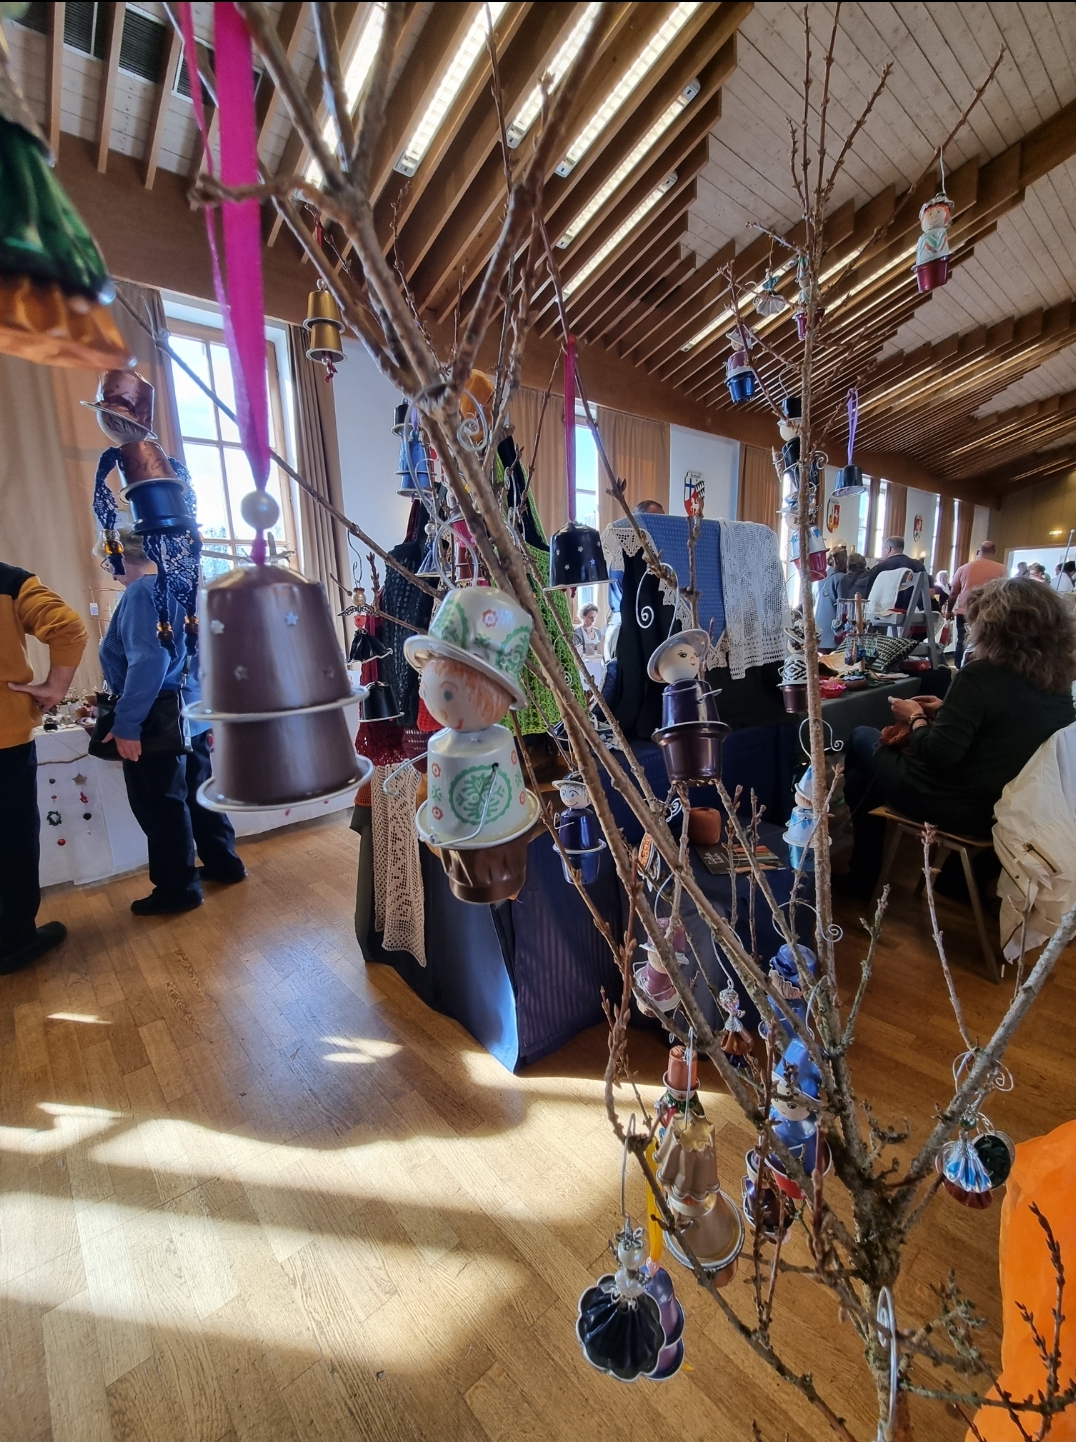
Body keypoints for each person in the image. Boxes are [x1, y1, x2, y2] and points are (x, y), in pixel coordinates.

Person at [842, 578, 1076, 894]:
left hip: (953, 802)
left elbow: (938, 754)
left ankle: (863, 873)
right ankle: (948, 879)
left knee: (861, 737)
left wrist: (914, 716)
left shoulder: (981, 675)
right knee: (862, 774)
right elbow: (1006, 729)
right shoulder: (1057, 681)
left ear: (994, 628)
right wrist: (948, 710)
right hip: (1006, 807)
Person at [100, 530, 244, 916]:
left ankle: (178, 889)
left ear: (123, 556)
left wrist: (128, 723)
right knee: (199, 794)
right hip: (192, 711)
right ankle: (224, 863)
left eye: (109, 561)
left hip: (158, 715)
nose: (111, 571)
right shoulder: (187, 587)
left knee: (161, 806)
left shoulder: (142, 592)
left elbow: (149, 661)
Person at [1, 562, 87, 972]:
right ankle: (14, 940)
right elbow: (68, 627)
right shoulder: (8, 581)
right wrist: (55, 688)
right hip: (3, 736)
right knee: (12, 839)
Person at [947, 540, 1007, 666]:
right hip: (990, 613)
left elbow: (953, 593)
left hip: (965, 611)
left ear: (977, 552)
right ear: (993, 552)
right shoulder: (1001, 569)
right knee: (987, 642)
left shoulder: (963, 568)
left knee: (962, 641)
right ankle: (980, 668)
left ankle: (959, 669)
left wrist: (949, 611)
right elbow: (1004, 592)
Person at [852, 535, 926, 607]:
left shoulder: (880, 568)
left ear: (888, 549)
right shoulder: (918, 565)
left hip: (885, 612)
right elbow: (926, 591)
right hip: (913, 612)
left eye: (883, 550)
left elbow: (868, 594)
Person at [814, 548, 846, 649]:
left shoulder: (822, 577)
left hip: (819, 626)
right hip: (832, 629)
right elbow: (843, 606)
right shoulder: (840, 578)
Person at [574, 602, 606, 689]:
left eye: (595, 617)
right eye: (590, 617)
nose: (593, 620)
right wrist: (595, 647)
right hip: (585, 666)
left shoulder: (597, 631)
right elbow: (578, 650)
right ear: (583, 616)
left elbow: (601, 649)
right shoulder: (577, 632)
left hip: (598, 664)